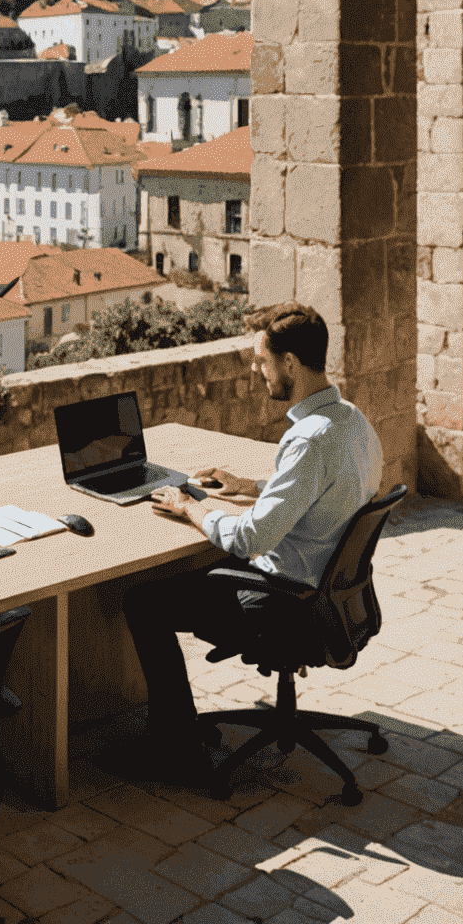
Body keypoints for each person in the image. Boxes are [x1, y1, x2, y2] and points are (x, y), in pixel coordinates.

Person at [122, 301, 383, 782]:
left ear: (289, 363)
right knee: (176, 583)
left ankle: (179, 752)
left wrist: (191, 507)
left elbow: (249, 538)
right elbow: (324, 492)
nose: (256, 370)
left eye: (262, 361)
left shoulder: (307, 439)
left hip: (284, 602)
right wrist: (252, 486)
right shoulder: (353, 423)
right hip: (330, 597)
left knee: (143, 601)